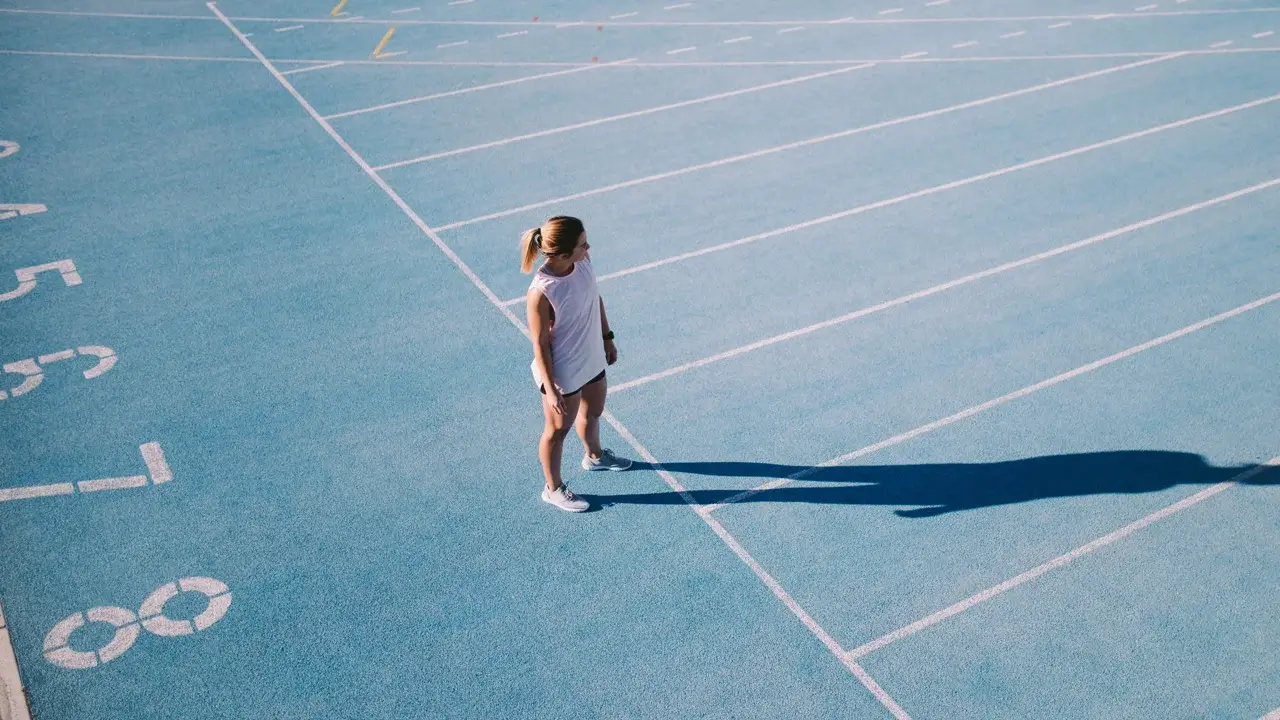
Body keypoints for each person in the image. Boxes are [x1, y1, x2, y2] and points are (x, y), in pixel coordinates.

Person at [522, 216, 632, 512]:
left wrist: (607, 337)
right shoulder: (541, 293)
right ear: (562, 254)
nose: (589, 247)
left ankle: (594, 456)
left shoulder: (582, 262)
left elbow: (594, 298)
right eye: (583, 244)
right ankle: (553, 488)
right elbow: (540, 344)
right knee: (557, 431)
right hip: (563, 371)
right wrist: (551, 387)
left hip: (592, 353)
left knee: (594, 410)